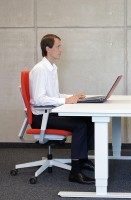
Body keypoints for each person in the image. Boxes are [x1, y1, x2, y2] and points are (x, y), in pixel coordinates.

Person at [30, 34, 95, 184]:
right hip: (41, 118)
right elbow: (39, 99)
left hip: (50, 113)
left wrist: (73, 97)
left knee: (88, 118)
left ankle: (83, 159)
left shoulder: (51, 68)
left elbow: (53, 95)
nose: (61, 50)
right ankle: (75, 172)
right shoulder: (40, 69)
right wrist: (65, 100)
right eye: (58, 46)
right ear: (48, 49)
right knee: (79, 126)